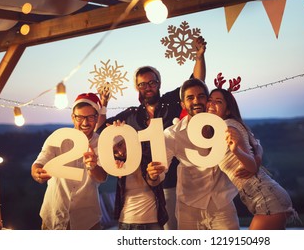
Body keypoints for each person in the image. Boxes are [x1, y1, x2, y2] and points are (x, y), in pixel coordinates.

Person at [96, 36, 207, 230]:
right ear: (137, 88)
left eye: (152, 83)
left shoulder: (171, 102)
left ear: (159, 83)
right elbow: (101, 130)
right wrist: (103, 105)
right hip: (143, 188)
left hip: (170, 183)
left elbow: (195, 82)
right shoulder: (131, 115)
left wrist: (199, 57)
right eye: (142, 84)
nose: (148, 87)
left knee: (172, 231)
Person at [149, 78, 240, 230]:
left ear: (208, 100)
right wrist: (153, 175)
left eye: (201, 96)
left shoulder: (225, 127)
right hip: (189, 208)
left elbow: (250, 144)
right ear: (183, 104)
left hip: (222, 204)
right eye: (190, 98)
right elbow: (158, 174)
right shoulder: (173, 134)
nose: (196, 101)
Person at [207, 87, 298, 229]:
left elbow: (251, 167)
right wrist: (258, 157)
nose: (211, 104)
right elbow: (258, 146)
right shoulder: (231, 124)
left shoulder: (228, 127)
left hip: (266, 198)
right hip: (267, 196)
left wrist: (236, 151)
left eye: (218, 101)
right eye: (210, 100)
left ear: (228, 110)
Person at [31, 93, 108, 230]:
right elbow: (40, 161)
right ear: (73, 117)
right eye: (80, 117)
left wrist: (93, 166)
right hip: (54, 215)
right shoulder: (58, 138)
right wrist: (36, 172)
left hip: (88, 220)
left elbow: (102, 177)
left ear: (96, 118)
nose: (85, 123)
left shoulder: (102, 142)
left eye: (90, 117)